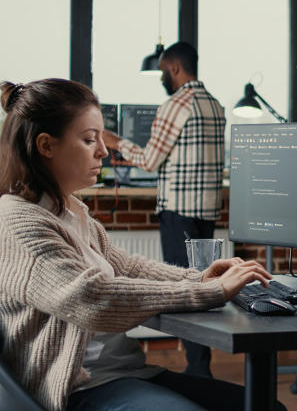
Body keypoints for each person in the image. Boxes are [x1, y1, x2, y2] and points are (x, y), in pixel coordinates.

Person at [0, 78, 280, 411]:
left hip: (126, 373)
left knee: (265, 406)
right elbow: (92, 298)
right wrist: (210, 292)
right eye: (90, 140)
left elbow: (130, 268)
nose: (104, 150)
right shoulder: (17, 221)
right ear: (46, 146)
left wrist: (201, 277)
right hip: (79, 387)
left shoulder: (72, 213)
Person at [103, 41, 225, 377]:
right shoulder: (215, 104)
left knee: (184, 289)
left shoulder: (175, 104)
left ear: (174, 68)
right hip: (207, 208)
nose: (161, 77)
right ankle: (201, 366)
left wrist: (115, 142)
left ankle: (197, 371)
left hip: (179, 209)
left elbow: (151, 160)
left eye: (161, 71)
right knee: (203, 283)